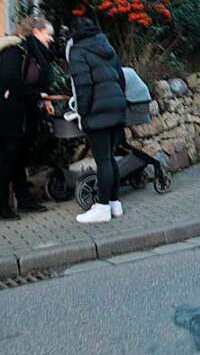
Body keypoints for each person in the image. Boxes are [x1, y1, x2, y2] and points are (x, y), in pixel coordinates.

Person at [66, 17, 128, 224]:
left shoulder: (78, 51)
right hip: (116, 105)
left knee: (102, 160)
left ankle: (102, 207)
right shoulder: (105, 45)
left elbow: (83, 85)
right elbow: (120, 77)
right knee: (109, 157)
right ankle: (114, 203)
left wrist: (82, 112)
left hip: (97, 110)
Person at [0, 17, 56, 219]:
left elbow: (37, 80)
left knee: (18, 157)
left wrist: (45, 97)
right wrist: (36, 95)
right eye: (48, 34)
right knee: (8, 158)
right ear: (36, 32)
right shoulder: (16, 50)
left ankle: (24, 200)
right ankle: (3, 206)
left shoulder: (32, 53)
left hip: (22, 113)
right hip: (9, 114)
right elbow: (9, 78)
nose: (51, 39)